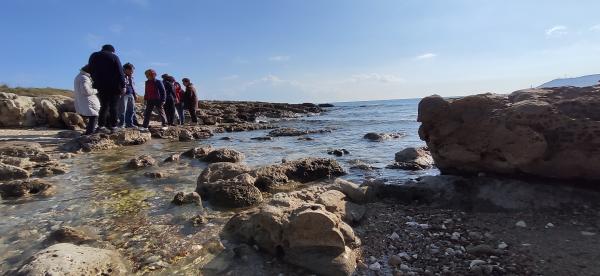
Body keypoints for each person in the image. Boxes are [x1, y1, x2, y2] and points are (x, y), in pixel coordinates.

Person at [88, 44, 126, 133]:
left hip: (99, 86)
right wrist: (123, 86)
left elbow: (90, 69)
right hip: (114, 86)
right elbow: (120, 72)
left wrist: (94, 81)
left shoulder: (93, 56)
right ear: (112, 50)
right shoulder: (114, 56)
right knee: (113, 107)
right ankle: (113, 126)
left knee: (103, 106)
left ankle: (101, 126)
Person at [74, 65, 101, 135]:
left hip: (84, 100)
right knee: (94, 116)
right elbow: (86, 91)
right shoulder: (84, 78)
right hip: (88, 100)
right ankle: (89, 133)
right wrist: (96, 90)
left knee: (93, 116)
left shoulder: (79, 76)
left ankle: (89, 131)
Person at [117, 62, 137, 128]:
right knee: (122, 110)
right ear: (126, 69)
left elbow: (133, 86)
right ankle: (121, 124)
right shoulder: (120, 75)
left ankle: (129, 123)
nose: (132, 72)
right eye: (131, 70)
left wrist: (134, 94)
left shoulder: (131, 77)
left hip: (130, 94)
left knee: (131, 110)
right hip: (123, 94)